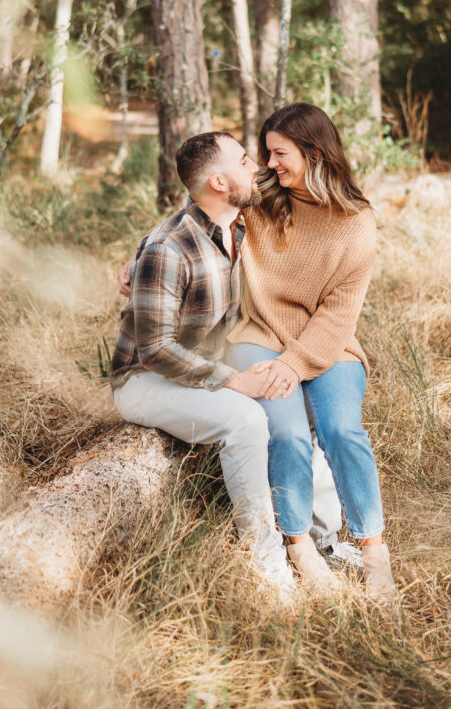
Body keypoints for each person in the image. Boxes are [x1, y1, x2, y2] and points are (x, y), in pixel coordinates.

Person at [109, 131, 295, 600]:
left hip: (203, 367)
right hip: (145, 379)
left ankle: (320, 538)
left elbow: (292, 181)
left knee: (292, 399)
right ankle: (267, 565)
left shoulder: (239, 220)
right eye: (244, 160)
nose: (256, 166)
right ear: (218, 181)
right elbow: (154, 349)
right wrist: (233, 381)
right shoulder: (168, 248)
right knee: (246, 419)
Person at [226, 103, 398, 603]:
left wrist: (294, 364)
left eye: (280, 153)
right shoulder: (258, 196)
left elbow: (340, 312)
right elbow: (197, 213)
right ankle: (299, 545)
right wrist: (140, 259)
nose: (270, 162)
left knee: (342, 430)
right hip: (258, 332)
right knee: (287, 433)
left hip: (329, 343)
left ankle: (373, 552)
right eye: (266, 153)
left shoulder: (355, 220)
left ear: (314, 151)